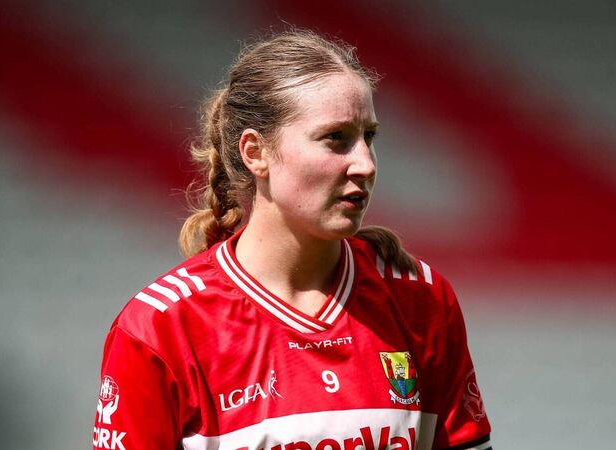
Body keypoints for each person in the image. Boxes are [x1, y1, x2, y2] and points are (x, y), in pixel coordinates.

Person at [92, 30, 492, 450]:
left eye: (369, 137)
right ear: (255, 152)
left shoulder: (419, 299)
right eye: (335, 138)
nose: (365, 164)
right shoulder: (160, 328)